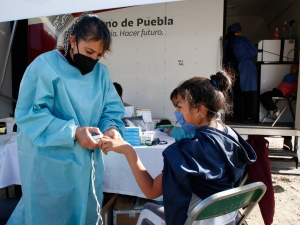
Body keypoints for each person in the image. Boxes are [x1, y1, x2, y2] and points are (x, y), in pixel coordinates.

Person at [7, 13, 125, 225]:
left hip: (87, 168)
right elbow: (30, 114)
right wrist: (72, 131)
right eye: (89, 51)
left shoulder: (101, 74)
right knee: (48, 216)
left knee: (87, 212)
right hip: (49, 166)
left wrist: (111, 128)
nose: (93, 60)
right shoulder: (44, 66)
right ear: (72, 41)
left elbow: (111, 110)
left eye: (98, 56)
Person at [98, 71, 257, 225]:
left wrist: (128, 151)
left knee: (148, 209)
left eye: (180, 107)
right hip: (226, 216)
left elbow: (151, 191)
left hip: (197, 219)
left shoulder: (187, 150)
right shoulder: (231, 135)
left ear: (199, 109)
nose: (176, 112)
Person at [224, 22, 258, 123]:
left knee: (236, 95)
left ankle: (237, 117)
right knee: (248, 94)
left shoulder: (227, 42)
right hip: (245, 68)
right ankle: (248, 117)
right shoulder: (244, 40)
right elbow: (253, 52)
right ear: (239, 31)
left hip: (233, 69)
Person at [260, 62, 299, 150]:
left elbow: (295, 86)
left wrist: (291, 94)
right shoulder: (287, 75)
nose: (292, 68)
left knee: (265, 96)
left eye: (294, 67)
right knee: (262, 96)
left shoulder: (296, 76)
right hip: (278, 90)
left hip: (283, 92)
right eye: (291, 67)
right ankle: (273, 110)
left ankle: (274, 110)